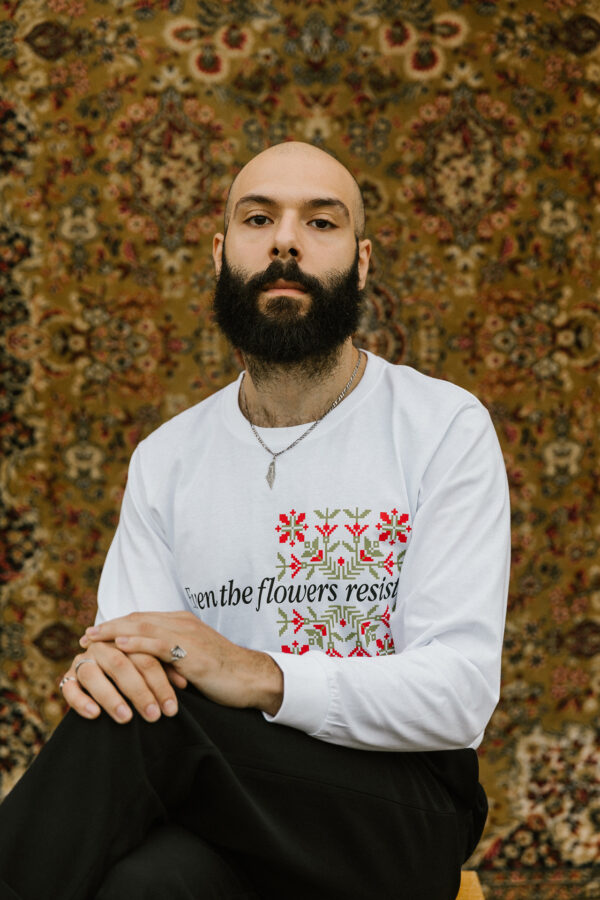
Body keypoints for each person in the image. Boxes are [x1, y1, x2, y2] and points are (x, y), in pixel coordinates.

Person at [0, 142, 510, 900]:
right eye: (258, 217)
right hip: (219, 810)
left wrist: (261, 677)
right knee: (137, 886)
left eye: (321, 221)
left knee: (155, 726)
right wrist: (105, 669)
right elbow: (131, 672)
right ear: (221, 253)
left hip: (396, 814)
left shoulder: (442, 426)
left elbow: (459, 694)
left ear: (362, 262)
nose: (286, 240)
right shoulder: (167, 458)